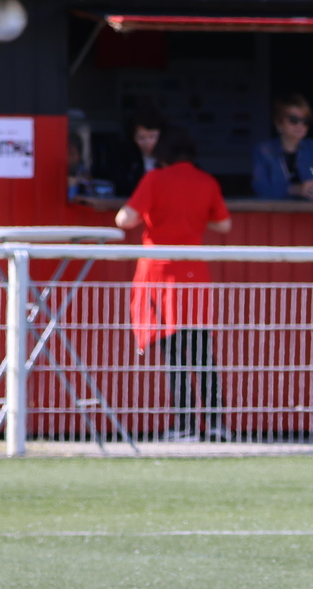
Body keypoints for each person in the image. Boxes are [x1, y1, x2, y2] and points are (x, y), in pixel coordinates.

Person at [115, 128, 233, 442]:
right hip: (194, 272)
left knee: (174, 352)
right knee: (202, 351)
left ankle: (184, 425)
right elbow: (224, 224)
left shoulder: (154, 179)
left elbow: (124, 219)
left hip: (158, 272)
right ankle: (216, 423)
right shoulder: (207, 182)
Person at [251, 94, 313, 201]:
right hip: (277, 210)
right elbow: (260, 187)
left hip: (311, 209)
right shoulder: (264, 150)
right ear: (279, 123)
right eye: (293, 119)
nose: (300, 125)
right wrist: (296, 189)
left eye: (306, 121)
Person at [113, 108, 164, 197]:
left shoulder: (170, 159)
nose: (147, 143)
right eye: (141, 138)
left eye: (152, 136)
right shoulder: (127, 159)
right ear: (133, 138)